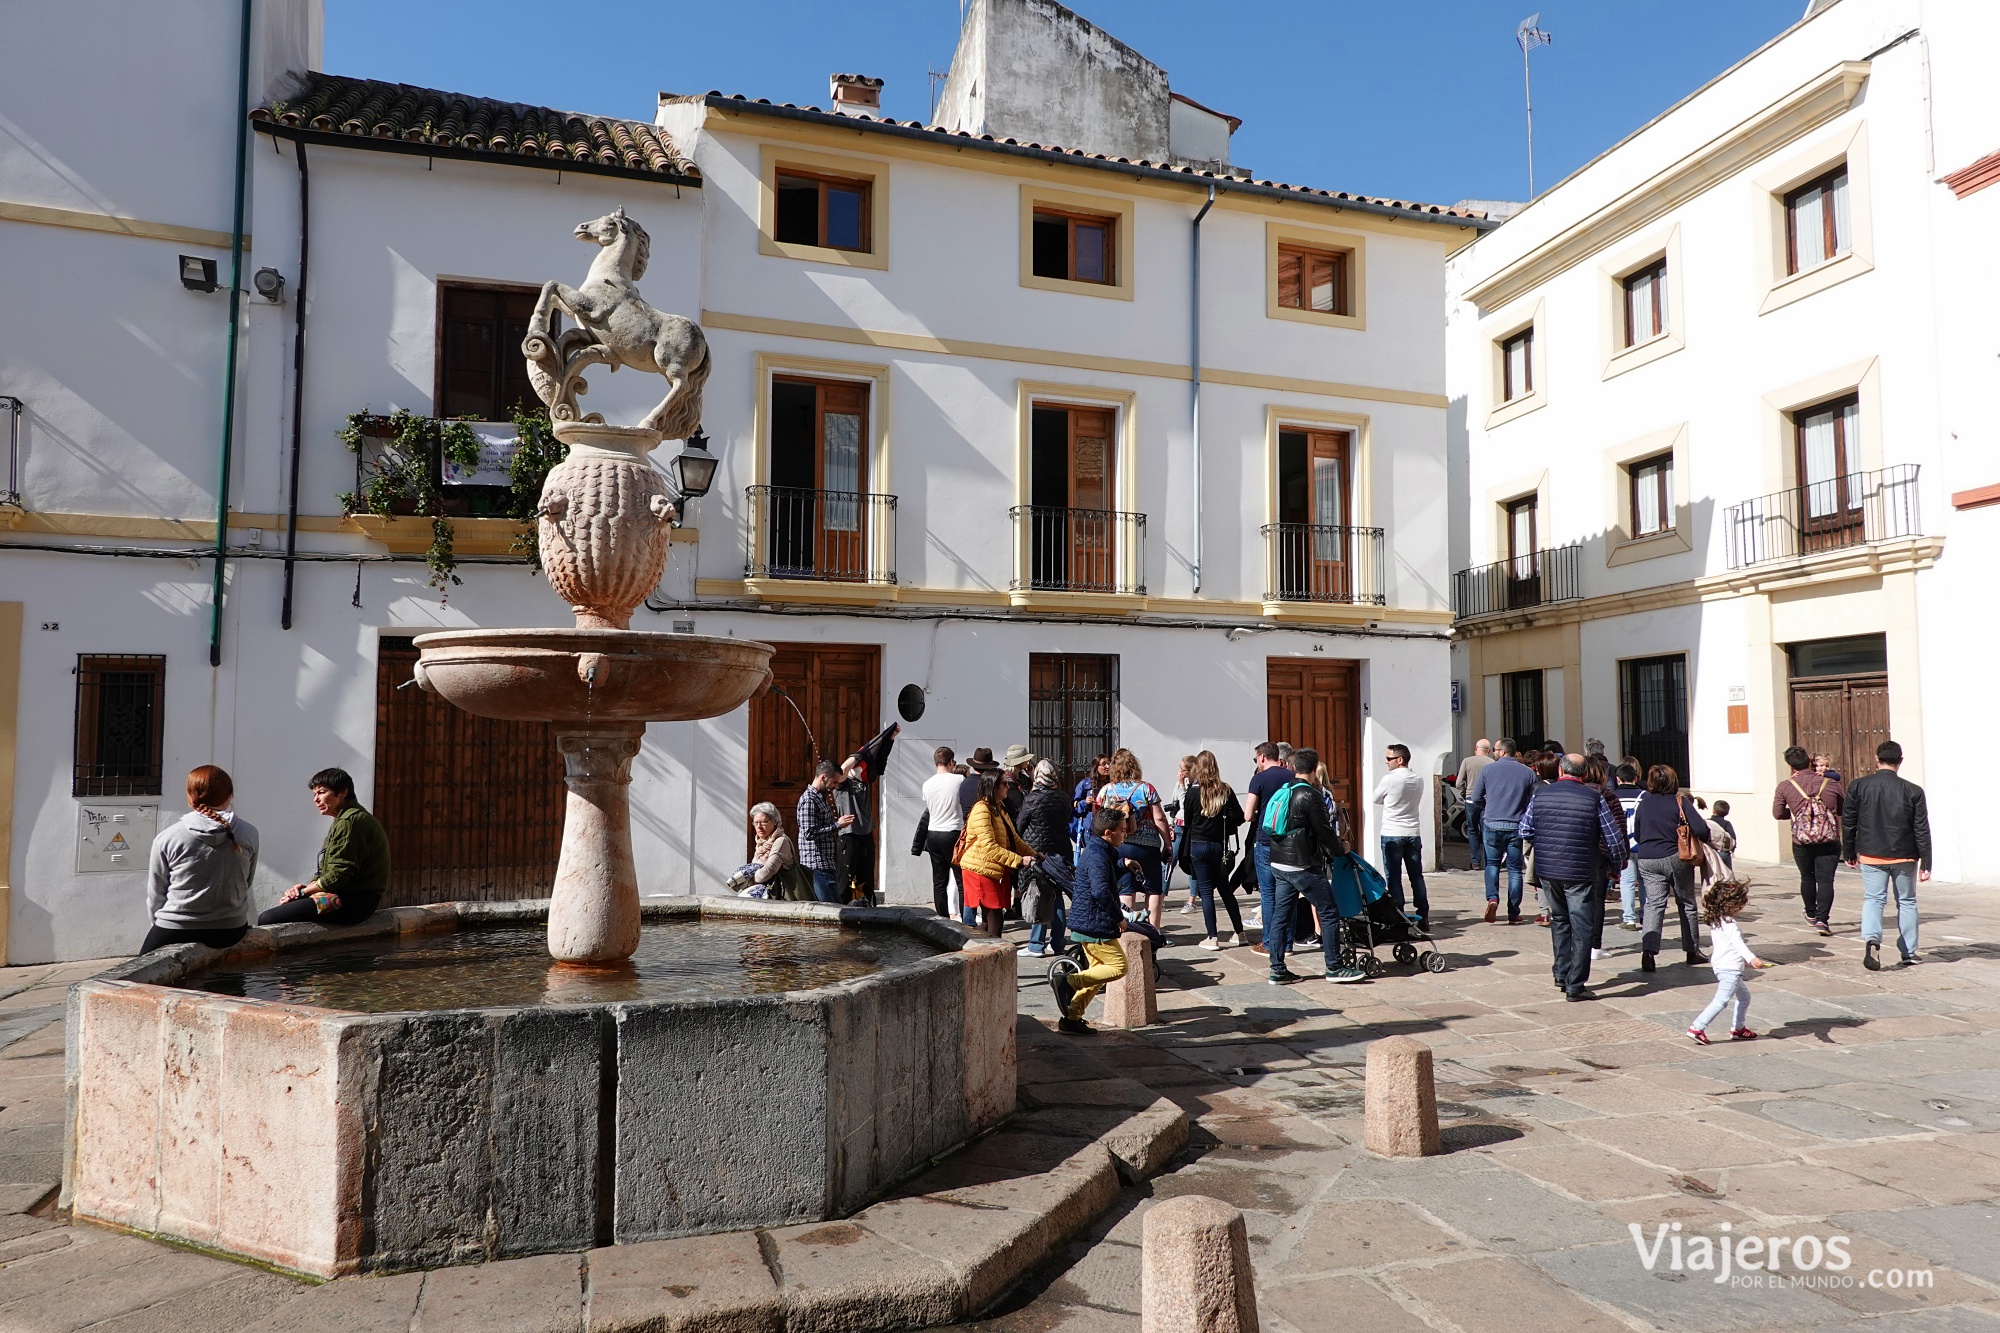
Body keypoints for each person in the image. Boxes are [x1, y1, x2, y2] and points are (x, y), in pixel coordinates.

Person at [1518, 754, 1626, 1001]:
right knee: (1582, 925)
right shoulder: (1594, 798)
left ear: (1560, 769)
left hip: (1548, 869)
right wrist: (1618, 863)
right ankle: (1575, 984)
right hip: (1579, 870)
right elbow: (1612, 837)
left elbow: (1524, 829)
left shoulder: (1541, 794)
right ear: (1585, 773)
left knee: (1560, 920)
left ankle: (1561, 972)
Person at [1264, 748, 1368, 986]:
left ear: (1292, 767)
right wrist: (1341, 848)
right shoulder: (1311, 795)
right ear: (1314, 769)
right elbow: (1325, 832)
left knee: (1281, 916)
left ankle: (1277, 970)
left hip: (1279, 861)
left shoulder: (1283, 790)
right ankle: (1334, 967)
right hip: (1302, 864)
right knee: (1330, 911)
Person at [145, 765, 259, 952]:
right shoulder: (249, 833)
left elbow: (156, 894)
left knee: (133, 975)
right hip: (231, 929)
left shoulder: (168, 837)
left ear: (191, 796)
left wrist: (158, 926)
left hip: (177, 928)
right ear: (229, 796)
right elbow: (246, 881)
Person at [258, 767, 388, 927]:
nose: (316, 800)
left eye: (321, 792)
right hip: (344, 895)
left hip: (353, 902)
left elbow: (340, 874)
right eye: (314, 795)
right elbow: (329, 870)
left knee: (268, 919)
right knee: (282, 911)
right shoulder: (345, 818)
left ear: (342, 792)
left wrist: (304, 893)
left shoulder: (351, 821)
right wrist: (305, 888)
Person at [1842, 740, 1932, 971]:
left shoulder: (1858, 786)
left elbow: (1848, 823)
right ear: (1900, 761)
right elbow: (1921, 828)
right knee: (1907, 901)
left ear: (1876, 758)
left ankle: (1872, 938)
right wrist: (1926, 861)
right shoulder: (1913, 790)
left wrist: (1849, 852)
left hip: (1871, 853)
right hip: (1905, 855)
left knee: (1874, 899)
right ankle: (1909, 952)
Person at [1049, 807, 1134, 1034]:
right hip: (1094, 924)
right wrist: (1118, 918)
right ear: (1108, 833)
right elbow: (1101, 892)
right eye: (1122, 831)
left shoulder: (1099, 850)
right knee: (1118, 967)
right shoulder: (1098, 854)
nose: (1125, 834)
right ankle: (1069, 982)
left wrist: (1123, 865)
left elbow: (1103, 874)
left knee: (1097, 974)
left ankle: (1071, 1018)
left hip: (1089, 922)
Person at [1631, 764, 1708, 972]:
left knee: (1654, 905)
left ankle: (1648, 951)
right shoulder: (1680, 801)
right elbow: (1701, 829)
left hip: (1647, 858)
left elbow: (1637, 834)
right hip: (1676, 856)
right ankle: (1692, 951)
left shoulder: (1645, 803)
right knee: (1687, 903)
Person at [1097, 749, 1172, 928]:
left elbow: (1099, 818)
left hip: (1120, 845)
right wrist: (1168, 843)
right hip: (1147, 847)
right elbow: (1159, 818)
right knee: (1153, 889)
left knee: (1126, 888)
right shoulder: (1147, 788)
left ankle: (1129, 929)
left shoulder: (1106, 790)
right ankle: (1154, 931)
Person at [1688, 879, 1769, 1044]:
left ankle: (1738, 1029)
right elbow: (1738, 944)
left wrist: (1742, 960)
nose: (1742, 907)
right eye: (1740, 904)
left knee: (1744, 997)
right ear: (1732, 905)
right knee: (1721, 1000)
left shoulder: (1717, 920)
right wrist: (1751, 958)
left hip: (1722, 965)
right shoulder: (1730, 924)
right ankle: (1697, 1027)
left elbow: (1728, 946)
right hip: (1730, 969)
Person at [1773, 745, 1843, 937]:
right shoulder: (1831, 783)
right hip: (1829, 839)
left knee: (1807, 877)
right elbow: (1843, 808)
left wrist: (1797, 814)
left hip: (1801, 840)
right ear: (1809, 761)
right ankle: (1823, 920)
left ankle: (1811, 914)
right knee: (1826, 880)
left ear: (1790, 766)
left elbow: (1777, 813)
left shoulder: (1786, 786)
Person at [1181, 751, 1246, 950]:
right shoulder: (1225, 790)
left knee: (1206, 892)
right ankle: (1239, 932)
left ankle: (1212, 937)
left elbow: (1188, 822)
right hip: (1219, 845)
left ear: (1197, 769)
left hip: (1198, 845)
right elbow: (1241, 817)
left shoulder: (1192, 792)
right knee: (1225, 889)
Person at [1468, 738, 1537, 923]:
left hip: (1492, 823)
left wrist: (1488, 808)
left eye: (1496, 750)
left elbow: (1475, 798)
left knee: (1492, 864)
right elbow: (1533, 802)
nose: (1493, 753)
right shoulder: (1528, 773)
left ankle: (1492, 898)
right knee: (1514, 870)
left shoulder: (1488, 770)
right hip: (1516, 825)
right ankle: (1514, 912)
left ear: (1504, 752)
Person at [960, 769, 1036, 938]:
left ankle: (967, 946)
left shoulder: (998, 807)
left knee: (989, 921)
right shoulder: (982, 809)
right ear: (992, 787)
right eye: (1004, 784)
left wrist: (1035, 854)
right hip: (979, 869)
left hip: (991, 867)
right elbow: (989, 847)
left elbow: (1014, 838)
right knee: (995, 918)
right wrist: (1019, 860)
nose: (1008, 787)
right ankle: (993, 956)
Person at [1017, 760, 1074, 957]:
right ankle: (1058, 943)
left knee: (1040, 895)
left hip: (1038, 853)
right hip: (1061, 853)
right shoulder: (1064, 798)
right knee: (1057, 896)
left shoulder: (1032, 799)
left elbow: (1020, 825)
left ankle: (1036, 944)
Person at [1373, 743, 1429, 927]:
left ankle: (1399, 916)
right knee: (1416, 876)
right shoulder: (1418, 779)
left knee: (1394, 877)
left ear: (1400, 759)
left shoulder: (1389, 779)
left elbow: (1376, 798)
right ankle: (1423, 915)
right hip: (1413, 832)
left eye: (1389, 758)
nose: (1386, 762)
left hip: (1392, 832)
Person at [1243, 742, 1289, 955]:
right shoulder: (1291, 776)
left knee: (1268, 894)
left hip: (1265, 839)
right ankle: (1287, 943)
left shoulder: (1259, 779)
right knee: (1289, 891)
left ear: (1262, 757)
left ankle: (1270, 943)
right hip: (1289, 841)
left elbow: (1248, 814)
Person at [920, 747, 966, 918]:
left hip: (933, 833)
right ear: (951, 762)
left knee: (939, 881)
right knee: (961, 879)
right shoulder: (959, 779)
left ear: (935, 763)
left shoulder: (927, 784)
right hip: (953, 832)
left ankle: (942, 919)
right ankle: (965, 917)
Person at [796, 761, 846, 904]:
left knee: (835, 908)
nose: (836, 786)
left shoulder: (820, 797)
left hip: (826, 865)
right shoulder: (809, 800)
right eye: (834, 782)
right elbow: (809, 833)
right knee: (830, 910)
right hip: (816, 866)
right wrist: (837, 825)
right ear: (823, 777)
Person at [728, 802, 795, 897]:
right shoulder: (761, 843)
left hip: (779, 895)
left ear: (775, 821)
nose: (758, 826)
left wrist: (748, 877)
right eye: (756, 822)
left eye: (763, 822)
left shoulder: (781, 841)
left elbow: (765, 874)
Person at [1612, 762, 1645, 931]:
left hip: (1622, 845)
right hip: (1642, 844)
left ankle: (1629, 918)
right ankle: (1646, 916)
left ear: (1618, 779)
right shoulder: (1645, 796)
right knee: (1644, 881)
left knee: (1626, 882)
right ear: (1636, 778)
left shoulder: (1612, 796)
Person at [1457, 739, 1494, 870]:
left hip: (1471, 799)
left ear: (1476, 748)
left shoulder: (1467, 761)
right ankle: (1488, 861)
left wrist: (1464, 794)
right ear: (1488, 751)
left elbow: (1459, 783)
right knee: (1486, 831)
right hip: (1486, 800)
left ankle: (1475, 862)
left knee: (1472, 831)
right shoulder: (1492, 763)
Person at [1708, 800, 1737, 870]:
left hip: (1709, 852)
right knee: (1728, 873)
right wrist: (1732, 849)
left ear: (1713, 811)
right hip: (1723, 852)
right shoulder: (1726, 823)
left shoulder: (1708, 822)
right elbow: (1733, 837)